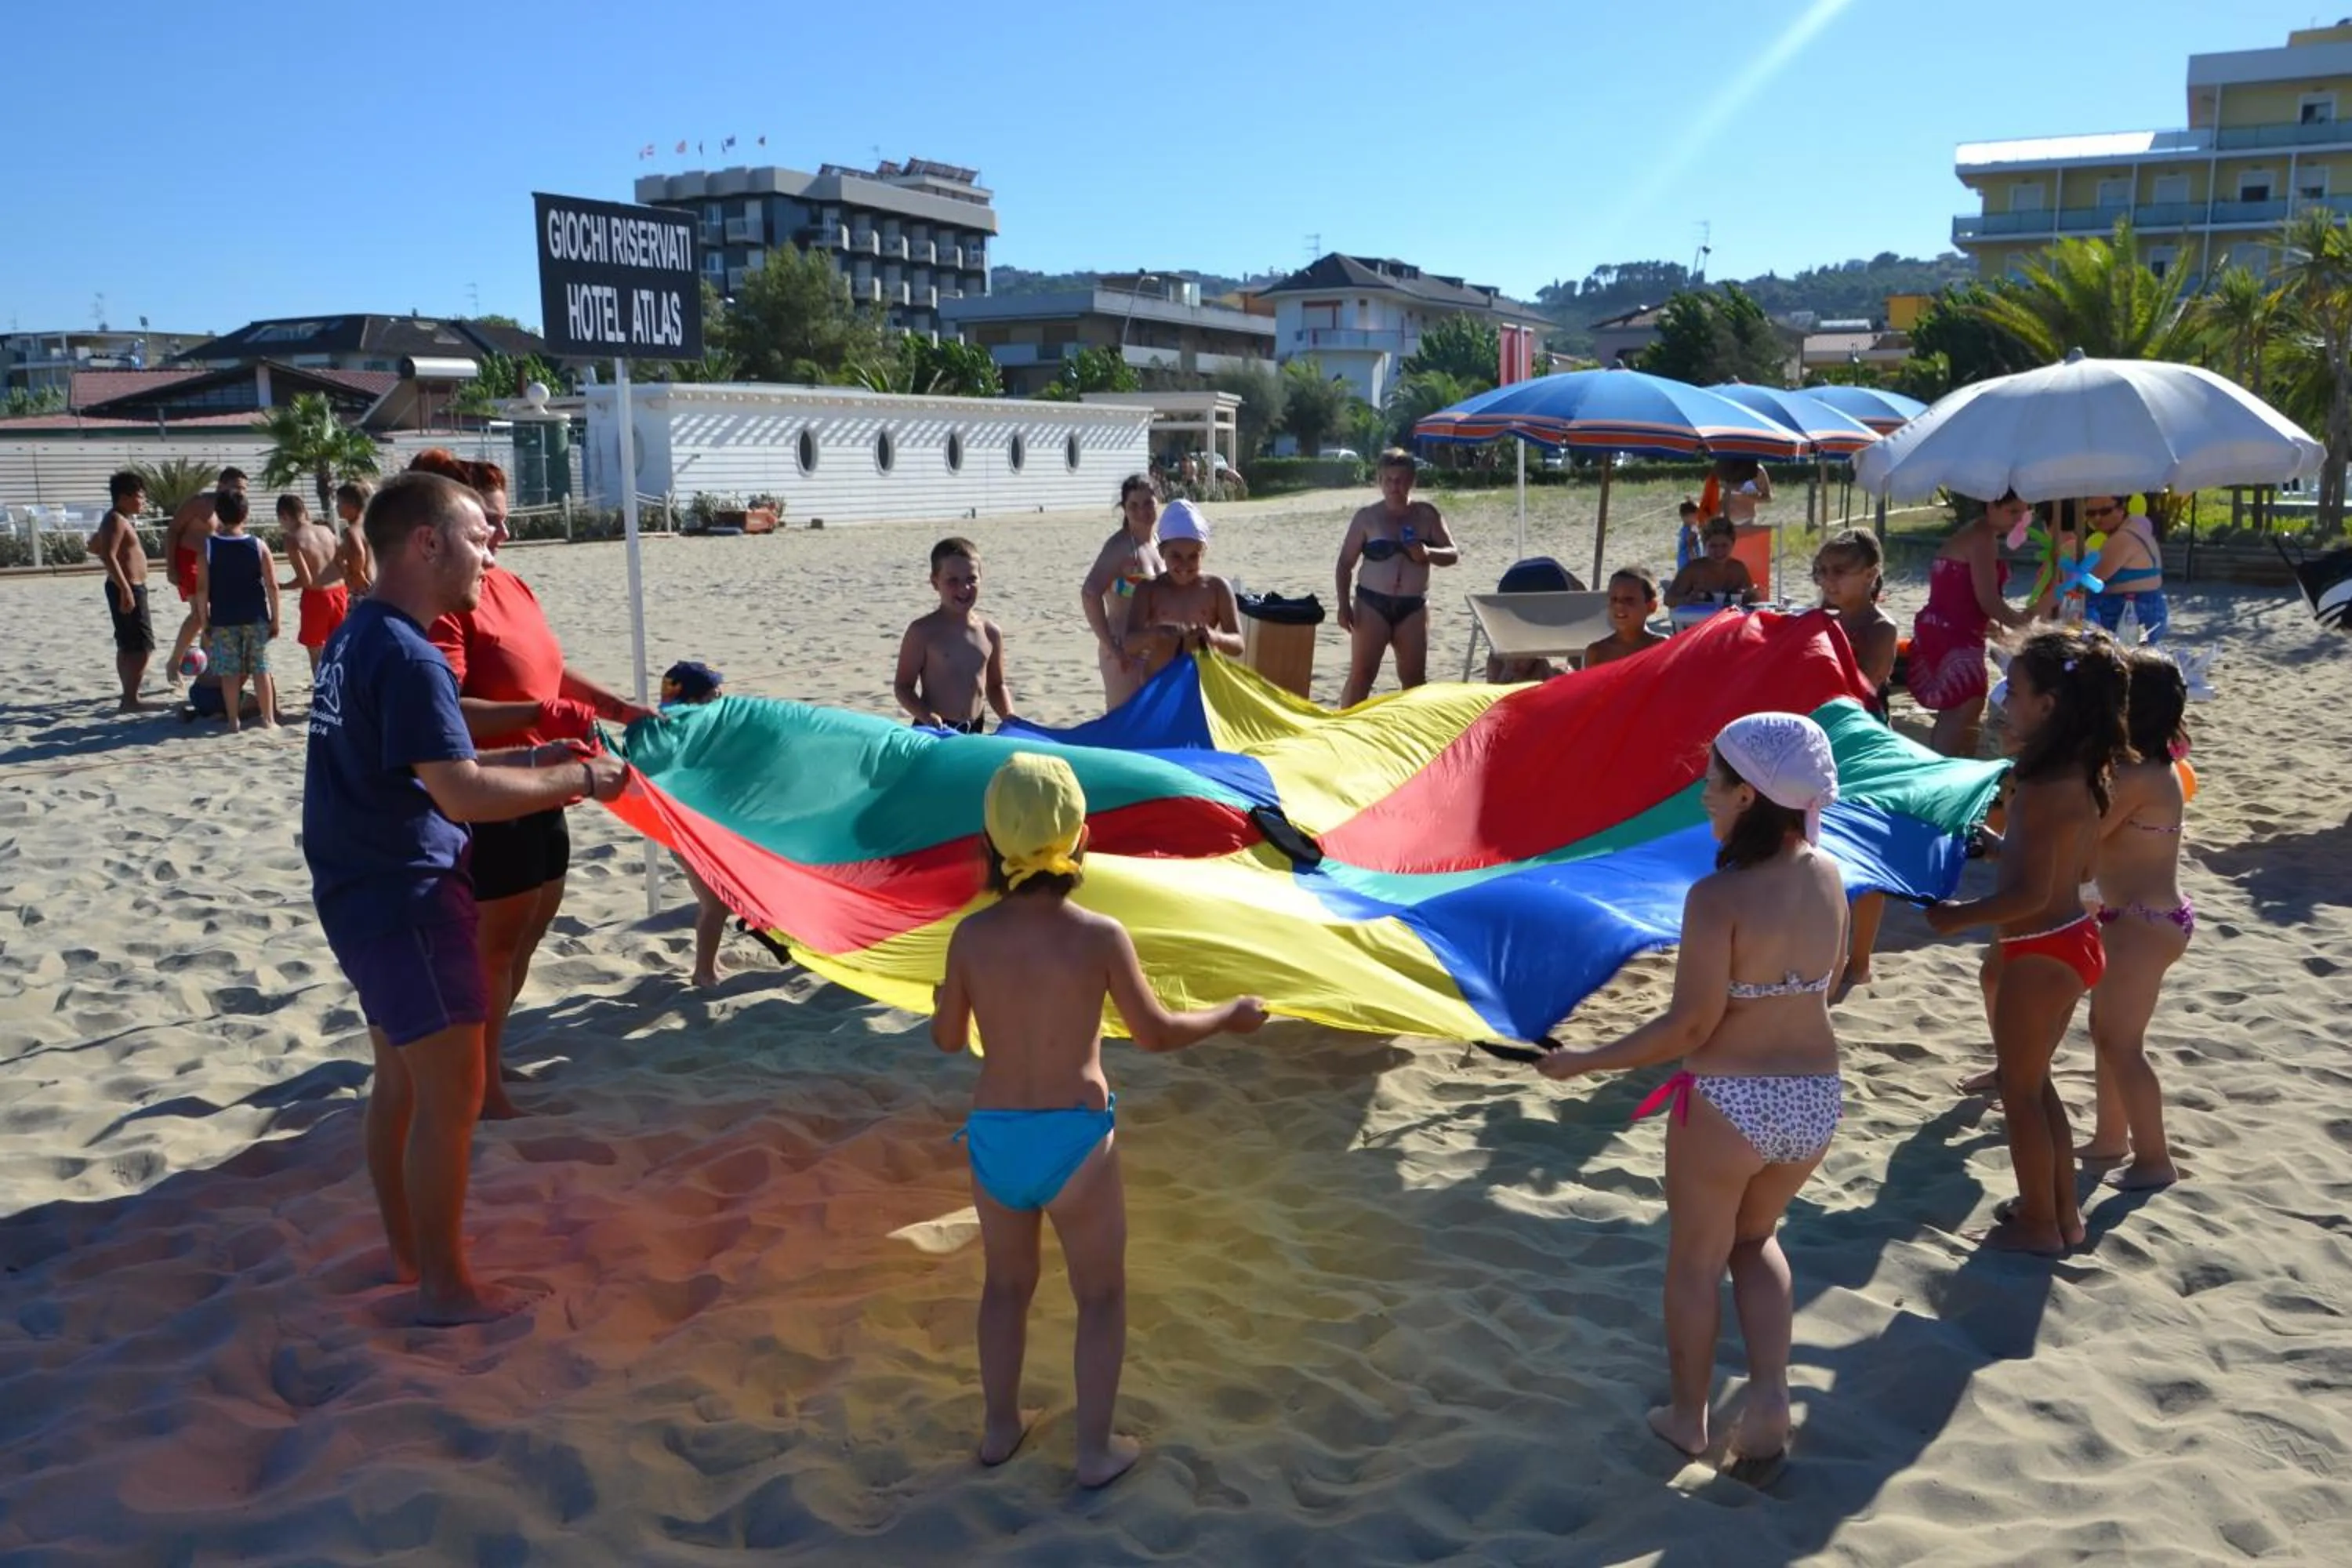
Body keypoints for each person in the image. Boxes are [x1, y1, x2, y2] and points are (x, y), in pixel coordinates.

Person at [304, 470, 626, 1325]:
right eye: (479, 537)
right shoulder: (408, 651)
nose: (491, 553)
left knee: (400, 1084)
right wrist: (582, 778)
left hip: (358, 887)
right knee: (452, 1095)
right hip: (406, 893)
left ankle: (410, 1255)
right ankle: (446, 1288)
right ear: (428, 543)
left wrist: (538, 750)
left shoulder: (361, 629)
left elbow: (435, 747)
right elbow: (461, 792)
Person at [931, 753, 1268, 1486]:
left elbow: (949, 1040)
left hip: (996, 1137)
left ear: (989, 844)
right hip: (1075, 1139)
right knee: (1101, 1296)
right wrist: (1229, 1016)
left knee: (1005, 1288)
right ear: (1082, 839)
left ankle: (999, 1429)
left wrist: (941, 1003)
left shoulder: (970, 938)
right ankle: (1092, 1451)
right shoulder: (1099, 936)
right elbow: (1157, 1034)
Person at [1536, 713, 1846, 1474]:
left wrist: (1588, 1061)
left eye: (1713, 781)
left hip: (1731, 1101)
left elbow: (1691, 1025)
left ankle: (1688, 1417)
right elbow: (1828, 983)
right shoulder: (1830, 874)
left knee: (1696, 1261)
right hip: (1815, 1096)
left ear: (1747, 794)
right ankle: (1769, 1397)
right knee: (1757, 1238)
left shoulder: (1718, 898)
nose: (1704, 794)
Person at [410, 449, 657, 1120]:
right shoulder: (448, 607)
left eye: (502, 518)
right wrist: (536, 715)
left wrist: (620, 708)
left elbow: (549, 671)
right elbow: (443, 709)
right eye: (489, 522)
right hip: (496, 787)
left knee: (527, 932)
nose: (503, 532)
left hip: (549, 779)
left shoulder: (511, 585)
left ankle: (490, 1060)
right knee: (493, 948)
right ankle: (481, 1087)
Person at [1926, 628, 2132, 1255]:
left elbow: (2030, 897)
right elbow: (2080, 871)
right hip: (2072, 941)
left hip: (2040, 948)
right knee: (2036, 1085)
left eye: (2013, 691)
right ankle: (2062, 1215)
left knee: (2020, 1094)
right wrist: (2002, 847)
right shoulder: (2084, 775)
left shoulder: (2042, 787)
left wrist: (1956, 918)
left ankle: (2040, 1224)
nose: (2003, 701)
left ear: (2048, 705)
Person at [2079, 648, 2190, 1189]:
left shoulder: (2140, 776)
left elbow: (2088, 832)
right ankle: (2110, 1139)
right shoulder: (2144, 767)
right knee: (2106, 1033)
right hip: (2135, 918)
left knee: (2122, 1043)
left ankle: (2154, 1159)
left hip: (2144, 924)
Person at [1813, 529, 1900, 998]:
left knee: (1864, 853)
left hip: (1863, 743)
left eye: (1840, 571)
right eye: (1823, 571)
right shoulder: (1818, 619)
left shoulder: (1880, 626)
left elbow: (1867, 685)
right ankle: (1828, 956)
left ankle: (1861, 958)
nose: (1829, 580)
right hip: (1822, 739)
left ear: (1870, 575)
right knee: (1820, 848)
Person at [1910, 492, 2030, 758]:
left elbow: (1969, 596)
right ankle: (1950, 767)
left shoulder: (1978, 533)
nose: (2019, 519)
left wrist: (2001, 625)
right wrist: (2026, 627)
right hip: (1952, 632)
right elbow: (1989, 600)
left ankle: (1949, 764)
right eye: (2013, 511)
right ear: (1990, 505)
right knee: (1964, 704)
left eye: (2023, 512)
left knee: (1960, 705)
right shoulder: (1981, 537)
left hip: (1947, 628)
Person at [1335, 448, 1459, 706]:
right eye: (1389, 480)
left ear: (1412, 480)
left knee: (1414, 680)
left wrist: (1427, 553)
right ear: (1379, 481)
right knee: (1362, 675)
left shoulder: (1427, 515)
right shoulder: (1367, 517)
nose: (1395, 486)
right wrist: (1343, 605)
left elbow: (1452, 554)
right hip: (1372, 604)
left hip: (1412, 607)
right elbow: (1345, 564)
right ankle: (1344, 724)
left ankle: (1412, 728)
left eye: (1401, 480)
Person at [659, 659, 738, 986]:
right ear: (692, 701)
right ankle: (703, 972)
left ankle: (709, 965)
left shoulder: (701, 730)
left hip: (707, 831)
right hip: (687, 835)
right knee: (715, 904)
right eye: (714, 695)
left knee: (719, 903)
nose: (721, 699)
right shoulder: (678, 736)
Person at [895, 537, 1014, 733]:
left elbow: (996, 685)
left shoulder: (990, 633)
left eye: (971, 579)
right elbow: (903, 687)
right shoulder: (922, 632)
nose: (964, 588)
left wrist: (1010, 718)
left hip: (974, 728)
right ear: (935, 582)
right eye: (953, 580)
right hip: (934, 729)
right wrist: (926, 715)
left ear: (981, 578)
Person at [1123, 499, 1242, 684]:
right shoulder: (1148, 590)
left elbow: (1238, 645)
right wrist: (1156, 634)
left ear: (1203, 553)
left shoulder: (1217, 588)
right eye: (1176, 556)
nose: (1185, 565)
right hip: (1160, 686)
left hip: (1202, 685)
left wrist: (1214, 637)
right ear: (1162, 553)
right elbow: (1129, 644)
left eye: (1193, 556)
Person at [193, 489, 281, 731]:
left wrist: (205, 621)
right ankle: (268, 719)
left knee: (229, 673)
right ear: (246, 514)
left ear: (218, 514)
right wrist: (276, 619)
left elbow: (202, 589)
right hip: (255, 616)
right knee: (260, 669)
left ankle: (233, 721)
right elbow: (272, 585)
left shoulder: (208, 548)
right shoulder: (258, 545)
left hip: (223, 618)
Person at [1080, 476, 1164, 711]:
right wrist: (1110, 645)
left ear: (1158, 501)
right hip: (1125, 653)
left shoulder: (1157, 543)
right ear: (1124, 509)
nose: (1142, 511)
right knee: (1123, 722)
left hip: (1154, 651)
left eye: (1148, 503)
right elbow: (1090, 593)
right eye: (1133, 506)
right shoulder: (1120, 547)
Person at [164, 466, 245, 685]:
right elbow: (173, 530)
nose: (241, 492)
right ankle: (174, 662)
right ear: (221, 485)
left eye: (244, 489)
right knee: (199, 615)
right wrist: (171, 566)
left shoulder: (235, 508)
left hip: (215, 562)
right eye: (236, 487)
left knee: (214, 617)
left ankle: (206, 666)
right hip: (189, 559)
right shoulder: (200, 502)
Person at [90, 469, 154, 712]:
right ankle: (130, 699)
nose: (143, 501)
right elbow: (108, 555)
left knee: (127, 644)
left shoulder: (116, 519)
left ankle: (129, 694)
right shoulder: (116, 520)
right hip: (128, 588)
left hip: (127, 586)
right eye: (140, 496)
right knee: (141, 646)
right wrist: (126, 589)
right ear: (124, 497)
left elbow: (94, 547)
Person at [279, 492, 350, 676]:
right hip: (340, 591)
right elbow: (342, 565)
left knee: (316, 649)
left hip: (317, 597)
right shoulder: (325, 530)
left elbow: (306, 580)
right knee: (338, 646)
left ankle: (322, 688)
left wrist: (281, 586)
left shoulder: (292, 539)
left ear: (284, 516)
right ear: (304, 511)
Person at [2084, 495, 2169, 641]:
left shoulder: (2122, 538)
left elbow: (2092, 580)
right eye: (2091, 513)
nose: (2097, 518)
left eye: (2105, 511)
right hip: (2145, 609)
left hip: (2129, 614)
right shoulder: (2136, 529)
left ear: (2121, 509)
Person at [1663, 517, 1757, 611]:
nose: (1719, 551)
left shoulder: (1738, 569)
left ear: (1733, 544)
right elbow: (1668, 599)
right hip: (1696, 619)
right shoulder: (1693, 570)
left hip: (1728, 619)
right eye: (1713, 546)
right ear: (1705, 545)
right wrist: (1686, 600)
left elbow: (1750, 599)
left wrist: (1752, 595)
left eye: (1724, 545)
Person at [1583, 567, 1668, 668]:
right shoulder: (1597, 652)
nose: (1619, 605)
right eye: (1614, 599)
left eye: (1629, 600)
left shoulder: (1660, 646)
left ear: (1651, 606)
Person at [334, 480, 377, 598]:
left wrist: (358, 572)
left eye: (339, 503)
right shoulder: (368, 526)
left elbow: (359, 553)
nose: (337, 507)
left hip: (362, 587)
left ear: (352, 505)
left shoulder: (351, 531)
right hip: (374, 581)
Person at [1719, 458, 1773, 526]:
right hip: (1724, 520)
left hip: (1747, 521)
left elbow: (1768, 498)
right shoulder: (1726, 467)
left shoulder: (1758, 471)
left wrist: (1748, 498)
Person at [1674, 500, 1704, 574]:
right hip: (1688, 564)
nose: (1697, 517)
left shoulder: (1686, 529)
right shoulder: (1690, 533)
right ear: (1686, 517)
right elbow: (1690, 549)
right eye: (1695, 515)